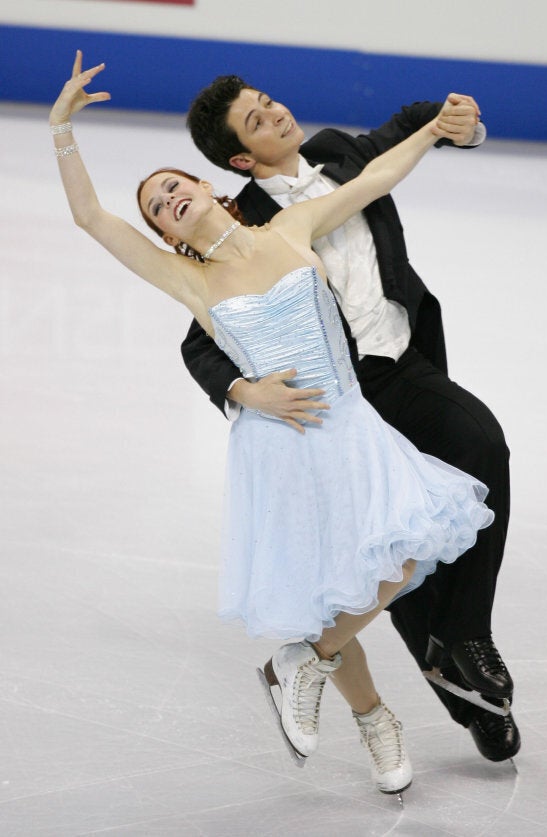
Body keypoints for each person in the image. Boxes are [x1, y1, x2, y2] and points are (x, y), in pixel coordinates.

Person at [51, 51, 496, 796]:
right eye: (157, 207)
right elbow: (90, 217)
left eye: (172, 187)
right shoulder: (188, 280)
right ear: (166, 233)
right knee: (329, 584)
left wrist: (434, 133)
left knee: (413, 549)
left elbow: (373, 178)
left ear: (204, 187)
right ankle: (374, 717)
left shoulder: (290, 226)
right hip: (280, 442)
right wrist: (62, 129)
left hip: (350, 421)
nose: (167, 202)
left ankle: (303, 658)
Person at [182, 77, 520, 759]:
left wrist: (456, 116)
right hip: (341, 398)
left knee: (482, 445)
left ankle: (466, 635)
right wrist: (244, 391)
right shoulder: (239, 226)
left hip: (405, 360)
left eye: (267, 100)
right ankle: (459, 687)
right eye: (255, 118)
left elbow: (406, 125)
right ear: (241, 158)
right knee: (390, 548)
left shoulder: (336, 152)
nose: (275, 111)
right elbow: (198, 340)